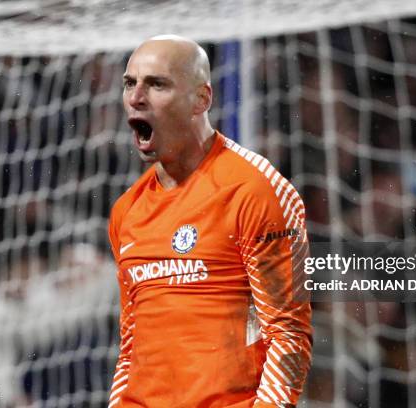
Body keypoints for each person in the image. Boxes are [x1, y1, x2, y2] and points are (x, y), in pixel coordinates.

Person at [108, 35, 312, 408]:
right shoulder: (127, 210)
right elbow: (131, 343)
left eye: (156, 84)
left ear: (201, 99)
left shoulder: (256, 190)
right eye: (129, 83)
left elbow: (289, 334)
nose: (136, 97)